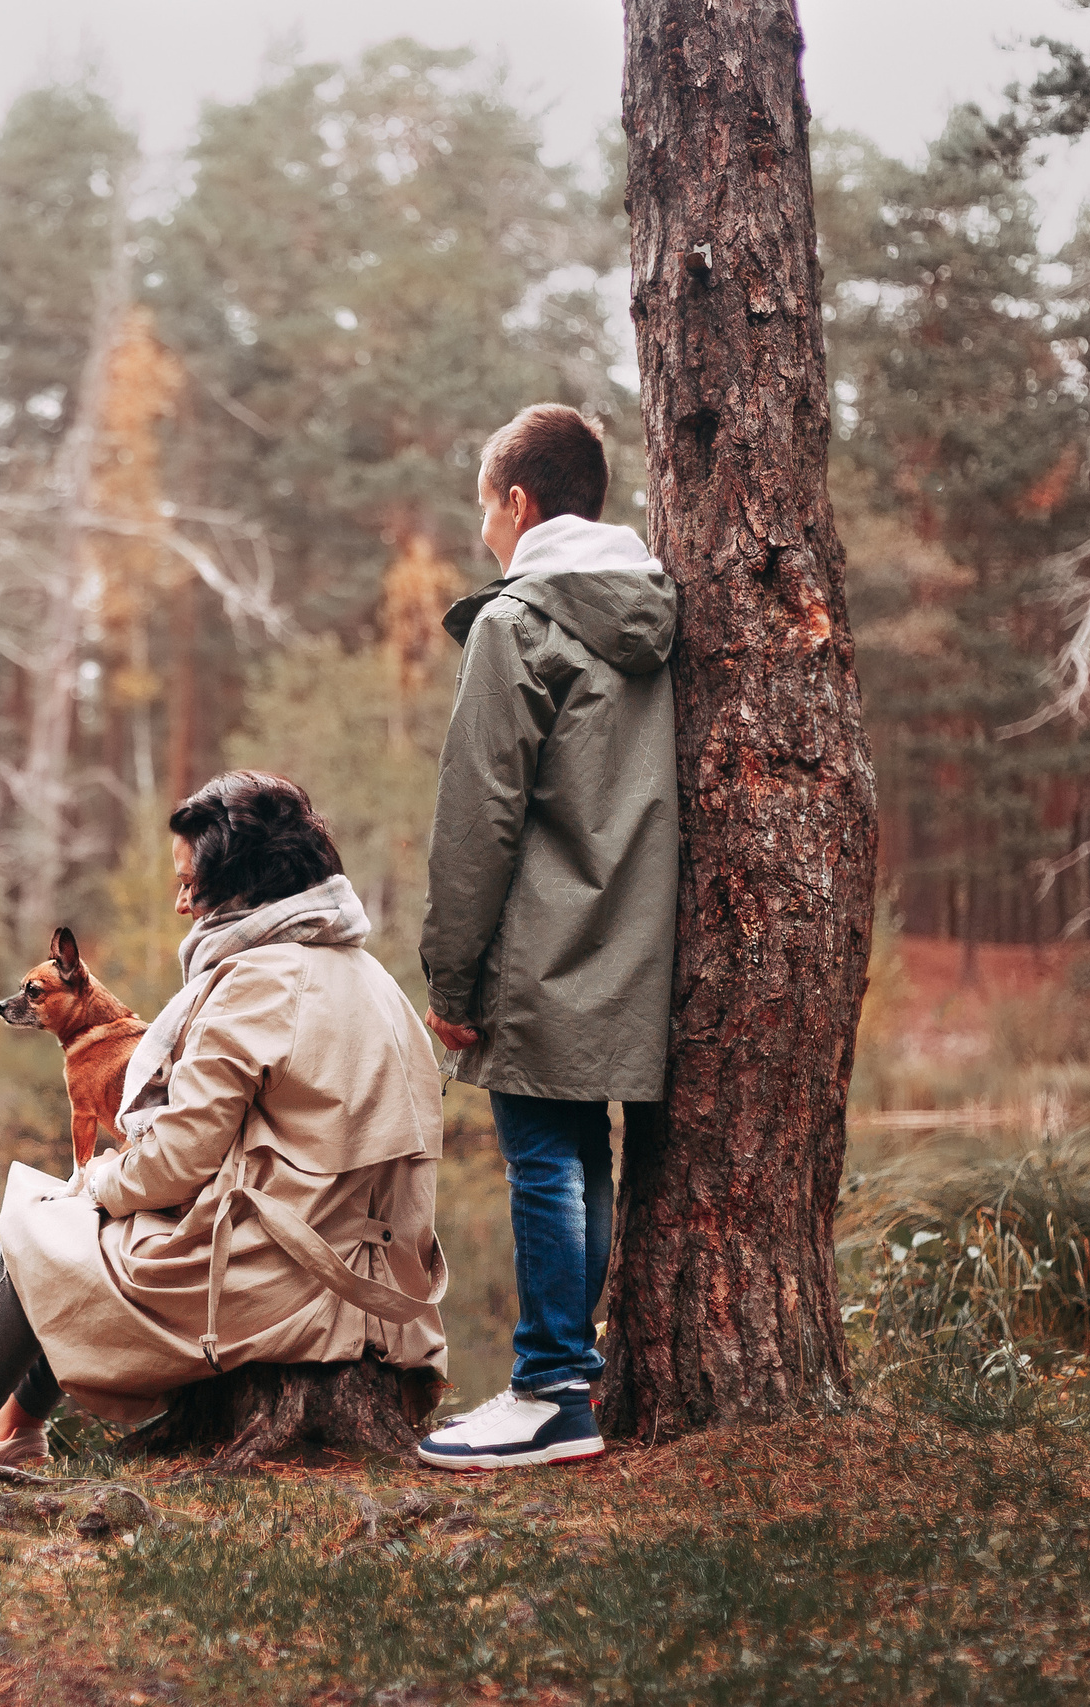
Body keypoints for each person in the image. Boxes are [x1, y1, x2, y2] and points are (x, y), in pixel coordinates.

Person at [0, 771, 449, 1493]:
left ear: (241, 883)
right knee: (74, 1218)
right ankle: (14, 1432)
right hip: (372, 1282)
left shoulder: (258, 983)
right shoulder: (369, 975)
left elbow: (174, 1161)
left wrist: (98, 1180)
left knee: (41, 1220)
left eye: (190, 884)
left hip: (291, 1280)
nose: (179, 904)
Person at [413, 403, 677, 1472]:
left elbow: (477, 814)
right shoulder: (654, 610)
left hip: (538, 943)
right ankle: (568, 1380)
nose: (485, 531)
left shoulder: (515, 623)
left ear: (518, 504)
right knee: (581, 1152)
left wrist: (452, 978)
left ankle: (553, 1390)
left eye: (485, 509)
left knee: (538, 1159)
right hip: (634, 939)